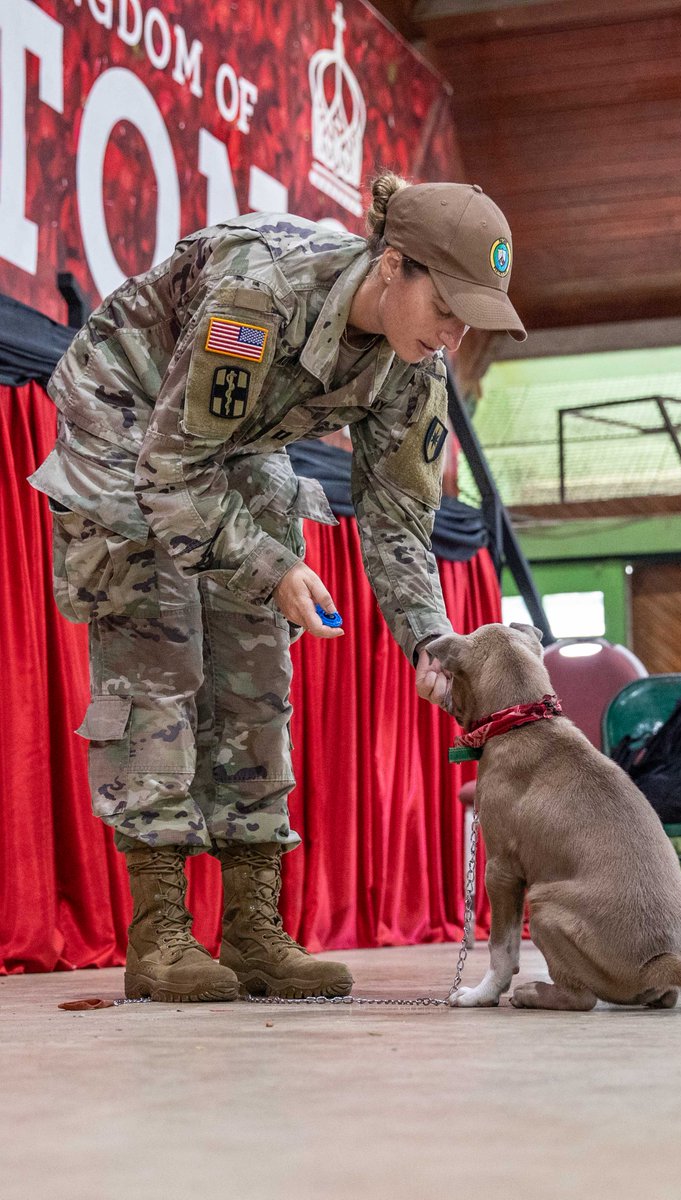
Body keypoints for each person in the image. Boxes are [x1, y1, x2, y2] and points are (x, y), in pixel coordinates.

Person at [29, 173, 526, 1002]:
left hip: (230, 442)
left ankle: (253, 930)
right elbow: (172, 468)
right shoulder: (258, 296)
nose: (453, 332)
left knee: (259, 667)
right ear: (391, 266)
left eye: (470, 317)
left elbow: (398, 521)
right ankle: (160, 937)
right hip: (126, 415)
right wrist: (271, 566)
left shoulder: (415, 365)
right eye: (447, 304)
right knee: (160, 658)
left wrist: (432, 644)